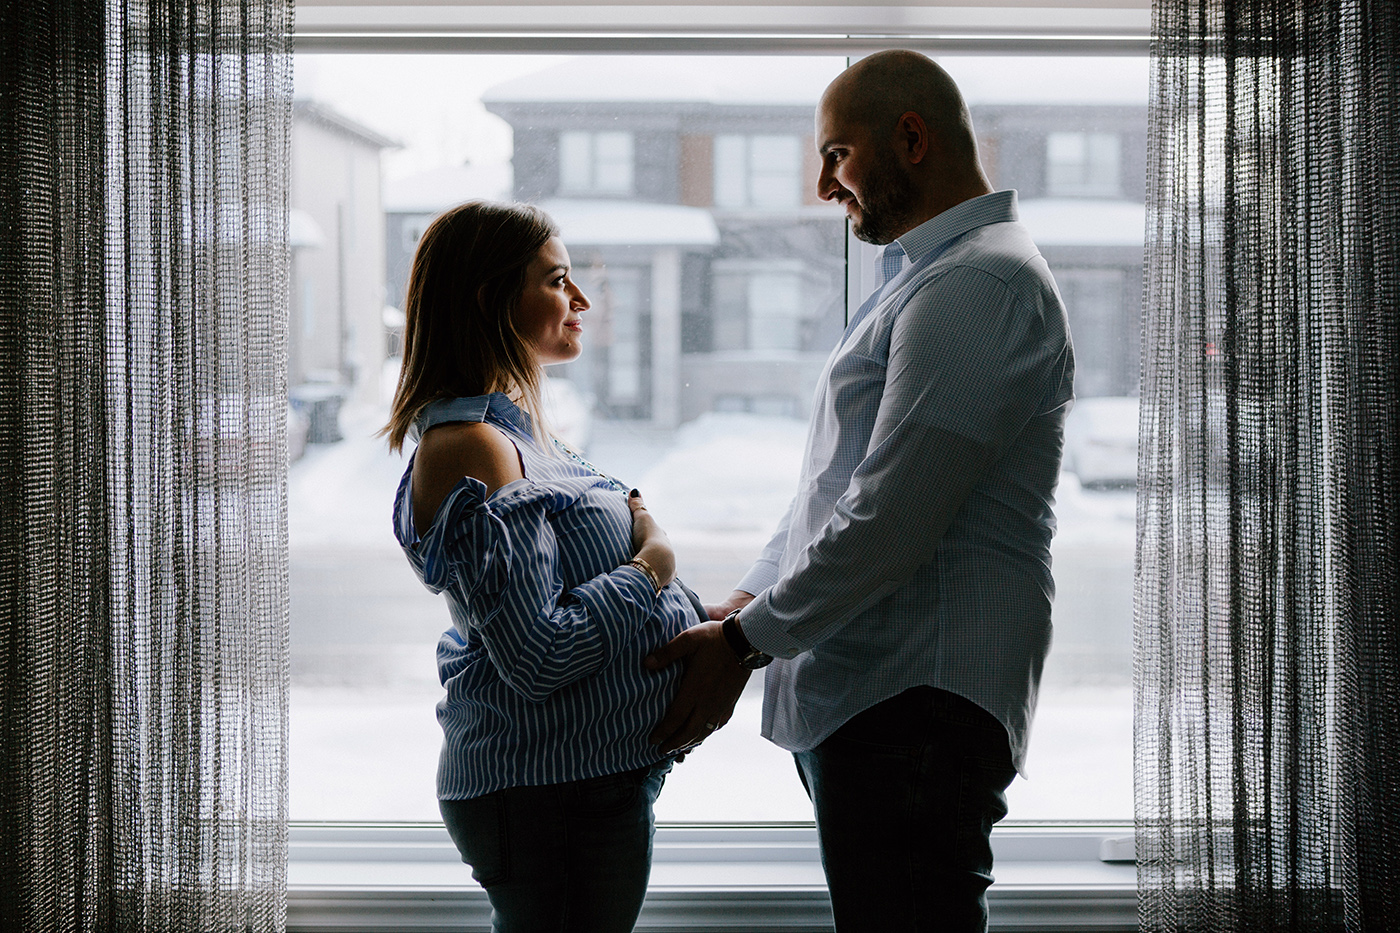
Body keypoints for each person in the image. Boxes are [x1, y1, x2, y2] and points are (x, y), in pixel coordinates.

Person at [644, 50, 1075, 932]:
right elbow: (833, 488)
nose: (822, 184)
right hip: (886, 695)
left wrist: (743, 641)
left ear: (910, 139)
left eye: (836, 155)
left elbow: (890, 518)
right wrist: (744, 604)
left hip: (916, 702)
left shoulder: (976, 283)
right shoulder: (933, 276)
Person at [383, 200, 699, 933]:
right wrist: (652, 566)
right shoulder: (471, 446)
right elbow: (538, 653)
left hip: (580, 790)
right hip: (547, 798)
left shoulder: (517, 436)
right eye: (558, 280)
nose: (581, 299)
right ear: (491, 299)